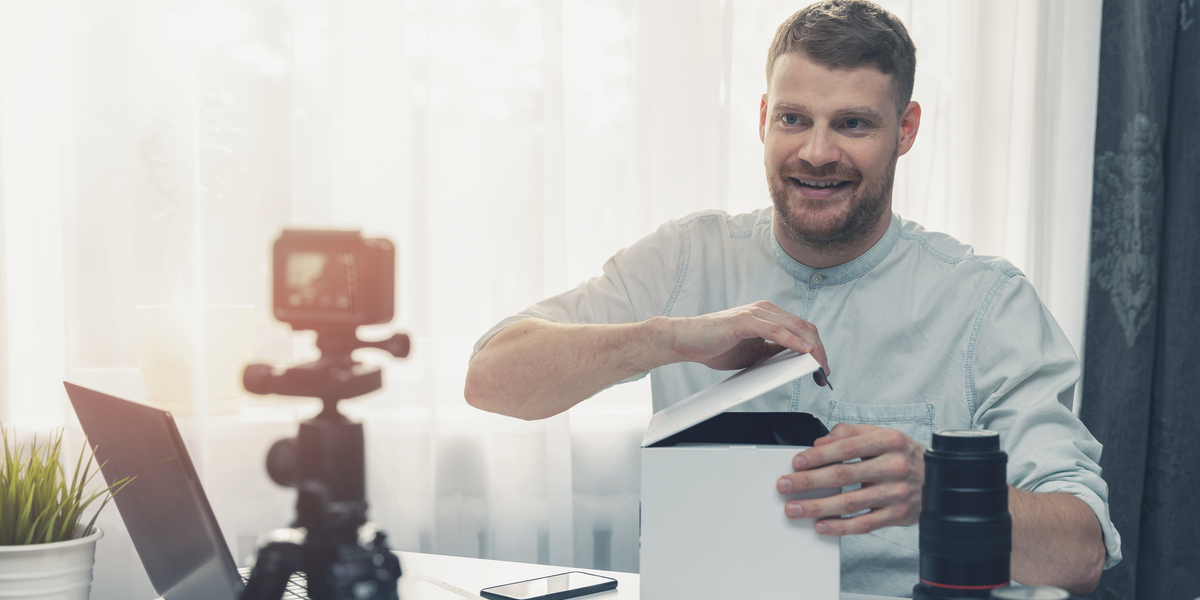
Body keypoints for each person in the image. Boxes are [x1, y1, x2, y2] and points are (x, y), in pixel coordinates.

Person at [464, 0, 1120, 596]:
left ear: (906, 130)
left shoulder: (988, 305)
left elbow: (1081, 553)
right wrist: (671, 337)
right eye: (794, 118)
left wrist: (937, 489)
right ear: (761, 118)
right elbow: (490, 378)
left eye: (853, 123)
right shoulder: (686, 257)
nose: (816, 152)